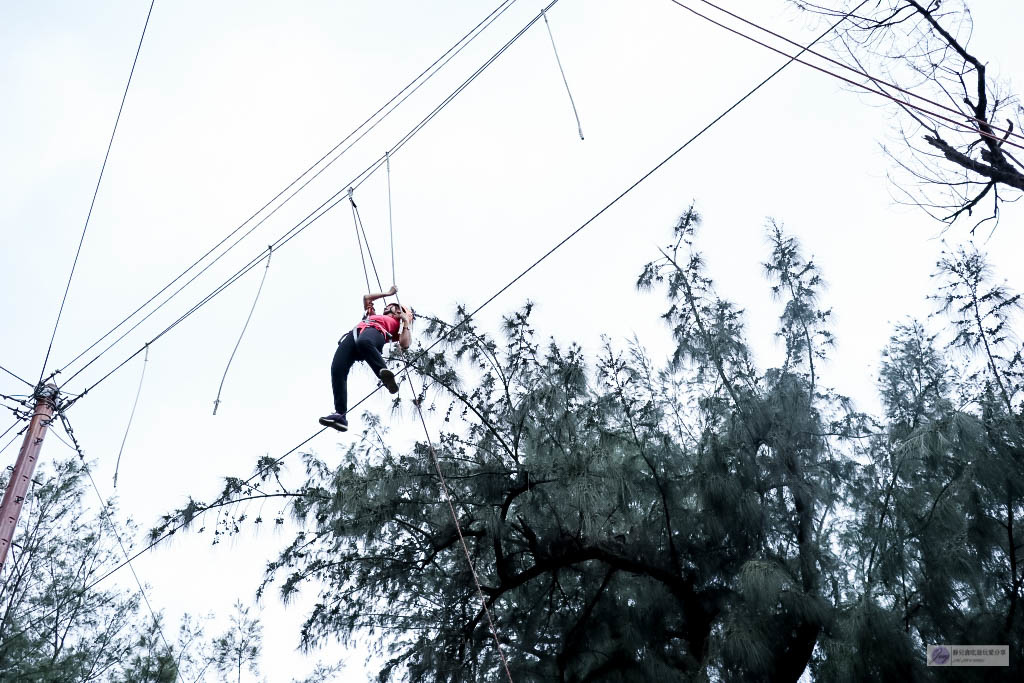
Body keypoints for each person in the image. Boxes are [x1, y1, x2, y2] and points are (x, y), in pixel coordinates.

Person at [319, 285, 414, 432]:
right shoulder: (372, 315)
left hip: (375, 334)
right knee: (337, 369)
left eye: (392, 307)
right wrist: (388, 294)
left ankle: (384, 373)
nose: (388, 308)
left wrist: (406, 321)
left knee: (365, 342)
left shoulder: (396, 325)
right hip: (354, 336)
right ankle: (340, 415)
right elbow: (367, 298)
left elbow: (405, 344)